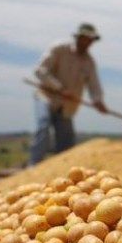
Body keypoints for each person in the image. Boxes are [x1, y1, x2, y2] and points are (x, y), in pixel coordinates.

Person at [29, 23, 107, 165]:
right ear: (78, 37)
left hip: (67, 105)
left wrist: (98, 101)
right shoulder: (59, 49)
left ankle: (63, 170)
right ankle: (34, 166)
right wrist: (60, 88)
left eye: (90, 40)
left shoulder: (89, 62)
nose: (87, 42)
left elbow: (94, 85)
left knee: (66, 140)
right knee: (43, 126)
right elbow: (40, 71)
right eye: (85, 38)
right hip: (46, 96)